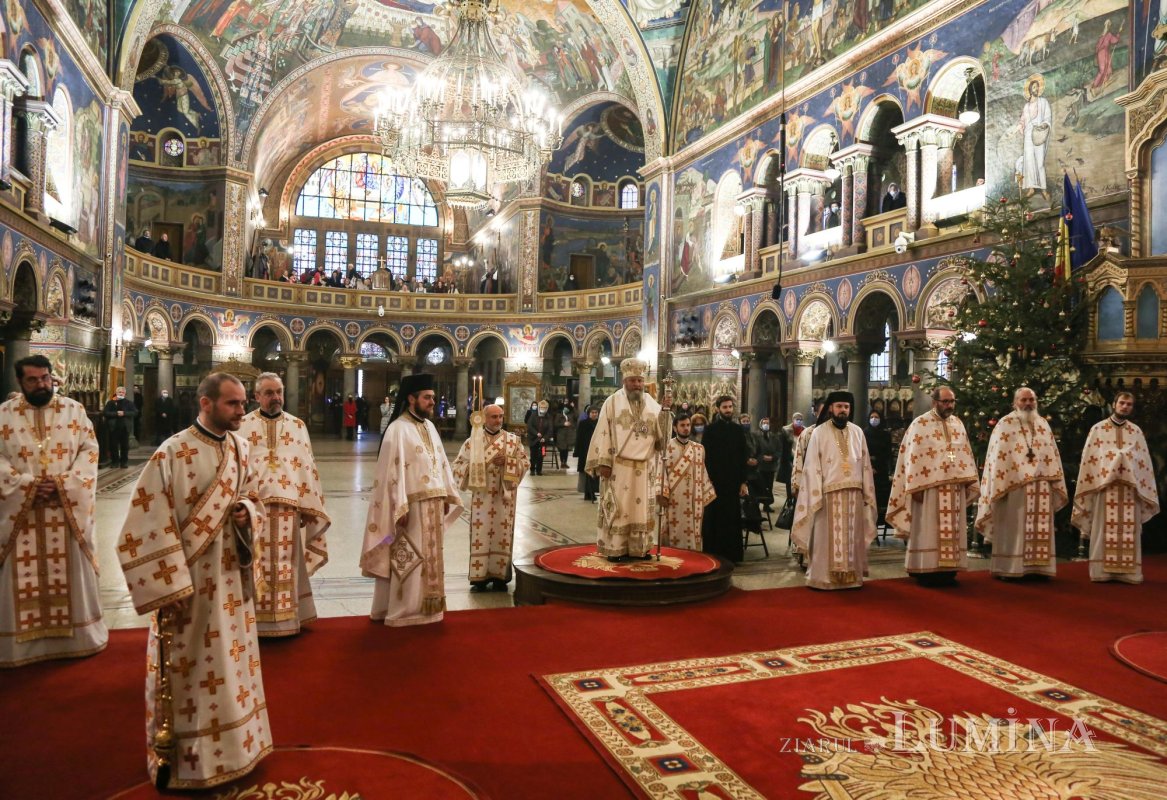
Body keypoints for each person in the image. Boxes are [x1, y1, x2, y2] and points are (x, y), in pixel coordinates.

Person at [116, 373, 271, 788]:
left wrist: (247, 515)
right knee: (190, 667)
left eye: (242, 404)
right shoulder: (173, 452)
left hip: (231, 579)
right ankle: (187, 759)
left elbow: (256, 498)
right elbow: (144, 523)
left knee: (230, 662)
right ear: (205, 403)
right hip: (189, 585)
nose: (243, 412)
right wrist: (169, 586)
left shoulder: (242, 447)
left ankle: (240, 746)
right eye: (233, 404)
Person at [0, 355, 106, 668]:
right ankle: (19, 643)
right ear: (20, 381)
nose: (41, 384)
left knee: (70, 571)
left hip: (65, 511)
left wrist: (64, 484)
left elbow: (89, 450)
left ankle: (78, 636)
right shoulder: (3, 415)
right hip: (21, 513)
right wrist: (25, 485)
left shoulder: (74, 410)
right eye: (33, 380)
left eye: (45, 378)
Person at [361, 373, 461, 626]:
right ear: (411, 398)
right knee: (409, 557)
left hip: (433, 505)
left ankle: (427, 608)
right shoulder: (397, 429)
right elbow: (389, 474)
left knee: (430, 558)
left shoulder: (429, 427)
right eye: (427, 397)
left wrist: (446, 492)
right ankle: (403, 610)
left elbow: (440, 462)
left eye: (433, 398)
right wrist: (398, 505)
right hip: (410, 508)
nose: (432, 402)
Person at [238, 373, 330, 636]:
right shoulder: (243, 426)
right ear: (256, 396)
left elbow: (307, 467)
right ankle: (256, 622)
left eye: (278, 391)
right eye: (268, 393)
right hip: (255, 511)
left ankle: (288, 620)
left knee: (286, 564)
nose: (275, 397)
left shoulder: (297, 425)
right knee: (257, 563)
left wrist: (308, 506)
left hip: (289, 508)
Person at [886, 387, 979, 586]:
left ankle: (949, 570)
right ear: (934, 402)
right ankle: (925, 569)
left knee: (952, 530)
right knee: (929, 530)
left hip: (954, 489)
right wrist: (914, 486)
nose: (949, 405)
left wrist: (968, 479)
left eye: (952, 401)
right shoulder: (920, 424)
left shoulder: (958, 424)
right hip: (928, 490)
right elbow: (911, 457)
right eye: (945, 401)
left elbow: (965, 453)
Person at [585, 358, 672, 561]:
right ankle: (615, 548)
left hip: (644, 466)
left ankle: (639, 549)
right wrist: (604, 461)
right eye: (633, 381)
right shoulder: (612, 402)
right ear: (625, 381)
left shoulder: (651, 403)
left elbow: (662, 436)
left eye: (640, 381)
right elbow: (604, 432)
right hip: (618, 466)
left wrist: (666, 412)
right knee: (619, 508)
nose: (637, 385)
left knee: (640, 509)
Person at [975, 387, 1067, 579]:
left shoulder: (1043, 424)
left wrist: (1052, 479)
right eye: (1023, 400)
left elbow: (1052, 454)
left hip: (1041, 485)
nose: (1028, 404)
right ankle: (1010, 568)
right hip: (1014, 486)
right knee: (1014, 526)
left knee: (1039, 526)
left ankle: (1038, 569)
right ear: (1015, 402)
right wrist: (1003, 483)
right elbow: (997, 458)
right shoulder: (1005, 424)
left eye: (1031, 400)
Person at [790, 391, 877, 590]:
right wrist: (814, 493)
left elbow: (864, 464)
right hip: (827, 494)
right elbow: (812, 465)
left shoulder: (857, 432)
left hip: (853, 494)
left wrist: (866, 491)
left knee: (851, 537)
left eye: (846, 407)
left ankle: (851, 577)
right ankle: (823, 578)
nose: (843, 410)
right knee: (826, 539)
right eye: (839, 406)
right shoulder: (819, 433)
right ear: (831, 408)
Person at [1072, 391, 1158, 584]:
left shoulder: (1136, 432)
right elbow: (1090, 460)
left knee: (1129, 531)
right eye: (1122, 403)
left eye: (1129, 404)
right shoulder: (1098, 429)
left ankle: (1128, 573)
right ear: (1114, 404)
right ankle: (1101, 571)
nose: (1125, 406)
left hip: (1130, 489)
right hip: (1106, 487)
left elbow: (1143, 461)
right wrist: (1113, 458)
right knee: (1103, 528)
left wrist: (1127, 459)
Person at [452, 404, 529, 592]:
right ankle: (479, 577)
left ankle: (500, 576)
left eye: (501, 416)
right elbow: (458, 467)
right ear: (484, 418)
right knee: (481, 534)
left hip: (504, 497)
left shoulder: (512, 441)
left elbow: (525, 463)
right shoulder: (472, 442)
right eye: (494, 417)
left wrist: (509, 462)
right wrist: (481, 464)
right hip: (482, 498)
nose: (499, 420)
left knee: (502, 534)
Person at [700, 396, 751, 563]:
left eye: (730, 407)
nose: (728, 410)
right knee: (714, 519)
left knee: (732, 519)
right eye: (725, 407)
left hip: (733, 482)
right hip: (715, 482)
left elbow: (743, 456)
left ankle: (732, 555)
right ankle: (714, 555)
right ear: (717, 409)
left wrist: (743, 481)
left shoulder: (738, 430)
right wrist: (709, 481)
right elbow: (706, 458)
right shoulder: (710, 430)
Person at [659, 414, 716, 550]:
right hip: (674, 498)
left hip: (694, 499)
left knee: (693, 530)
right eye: (682, 425)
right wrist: (662, 493)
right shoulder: (667, 447)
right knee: (673, 529)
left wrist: (706, 493)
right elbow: (660, 472)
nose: (686, 428)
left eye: (688, 425)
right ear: (675, 427)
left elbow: (703, 473)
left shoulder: (699, 449)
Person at [864, 409, 893, 527]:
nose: (874, 419)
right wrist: (870, 466)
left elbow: (887, 453)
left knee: (881, 498)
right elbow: (862, 452)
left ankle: (880, 522)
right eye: (872, 417)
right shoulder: (864, 433)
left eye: (876, 417)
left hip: (881, 471)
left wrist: (878, 467)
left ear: (881, 419)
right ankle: (869, 524)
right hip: (867, 470)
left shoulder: (885, 434)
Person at [104, 385, 137, 468]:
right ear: (116, 393)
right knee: (113, 445)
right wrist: (116, 414)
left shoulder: (129, 403)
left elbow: (135, 412)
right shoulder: (111, 402)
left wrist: (124, 413)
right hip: (113, 427)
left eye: (122, 392)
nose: (121, 393)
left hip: (125, 427)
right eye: (119, 392)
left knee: (125, 446)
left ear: (125, 394)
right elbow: (106, 413)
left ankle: (124, 462)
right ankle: (115, 462)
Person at [752, 416, 781, 510]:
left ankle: (767, 505)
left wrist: (773, 457)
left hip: (771, 466)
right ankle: (757, 504)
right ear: (761, 424)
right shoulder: (756, 436)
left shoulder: (774, 436)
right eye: (764, 423)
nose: (766, 425)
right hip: (761, 466)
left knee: (769, 486)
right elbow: (754, 449)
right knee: (761, 486)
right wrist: (762, 457)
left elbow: (779, 450)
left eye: (767, 423)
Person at [574, 405, 600, 501]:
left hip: (597, 451)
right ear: (588, 414)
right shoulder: (583, 423)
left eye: (596, 413)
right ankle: (588, 493)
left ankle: (592, 492)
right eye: (592, 413)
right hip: (585, 451)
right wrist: (577, 451)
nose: (594, 414)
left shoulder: (600, 423)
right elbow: (579, 438)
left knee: (595, 472)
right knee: (586, 473)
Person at [778, 412, 804, 498]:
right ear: (793, 420)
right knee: (790, 479)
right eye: (797, 419)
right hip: (789, 458)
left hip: (801, 457)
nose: (799, 421)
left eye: (800, 420)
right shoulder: (785, 430)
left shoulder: (805, 430)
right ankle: (790, 498)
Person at [526, 399, 555, 476]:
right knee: (533, 456)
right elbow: (529, 426)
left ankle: (539, 470)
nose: (543, 409)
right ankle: (532, 470)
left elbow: (550, 429)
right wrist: (536, 433)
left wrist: (545, 438)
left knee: (541, 455)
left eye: (545, 407)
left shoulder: (549, 417)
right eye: (541, 407)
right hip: (533, 440)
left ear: (547, 408)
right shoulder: (533, 415)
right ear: (539, 407)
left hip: (543, 441)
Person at [553, 401, 576, 470]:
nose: (566, 409)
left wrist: (573, 407)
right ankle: (562, 462)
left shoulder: (570, 415)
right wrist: (563, 424)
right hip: (561, 435)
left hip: (568, 435)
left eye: (568, 408)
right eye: (565, 408)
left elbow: (576, 416)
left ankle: (565, 462)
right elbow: (555, 424)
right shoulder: (558, 415)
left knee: (566, 450)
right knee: (562, 449)